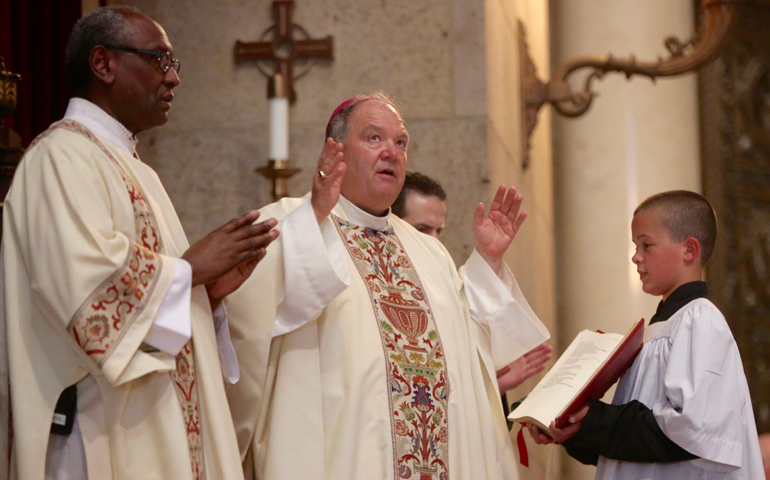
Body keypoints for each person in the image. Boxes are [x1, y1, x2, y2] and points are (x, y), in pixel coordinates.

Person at [0, 6, 278, 480]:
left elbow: (154, 302)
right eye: (158, 60)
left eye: (173, 64)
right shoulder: (60, 157)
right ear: (103, 63)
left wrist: (204, 293)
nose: (173, 79)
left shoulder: (135, 169)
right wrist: (191, 271)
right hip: (98, 434)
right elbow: (86, 297)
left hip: (151, 427)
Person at [224, 93, 550, 480]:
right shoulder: (291, 223)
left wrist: (487, 263)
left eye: (401, 142)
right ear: (336, 150)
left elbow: (466, 347)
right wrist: (314, 216)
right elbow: (245, 316)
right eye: (374, 138)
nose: (391, 153)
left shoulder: (429, 252)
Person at [528, 190, 764, 480]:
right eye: (635, 246)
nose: (636, 257)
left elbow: (691, 429)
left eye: (647, 245)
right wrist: (572, 429)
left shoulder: (700, 320)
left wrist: (594, 421)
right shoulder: (662, 328)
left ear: (689, 250)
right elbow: (636, 448)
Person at [392, 171, 552, 394]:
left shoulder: (444, 285)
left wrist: (492, 386)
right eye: (422, 230)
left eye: (439, 231)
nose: (435, 241)